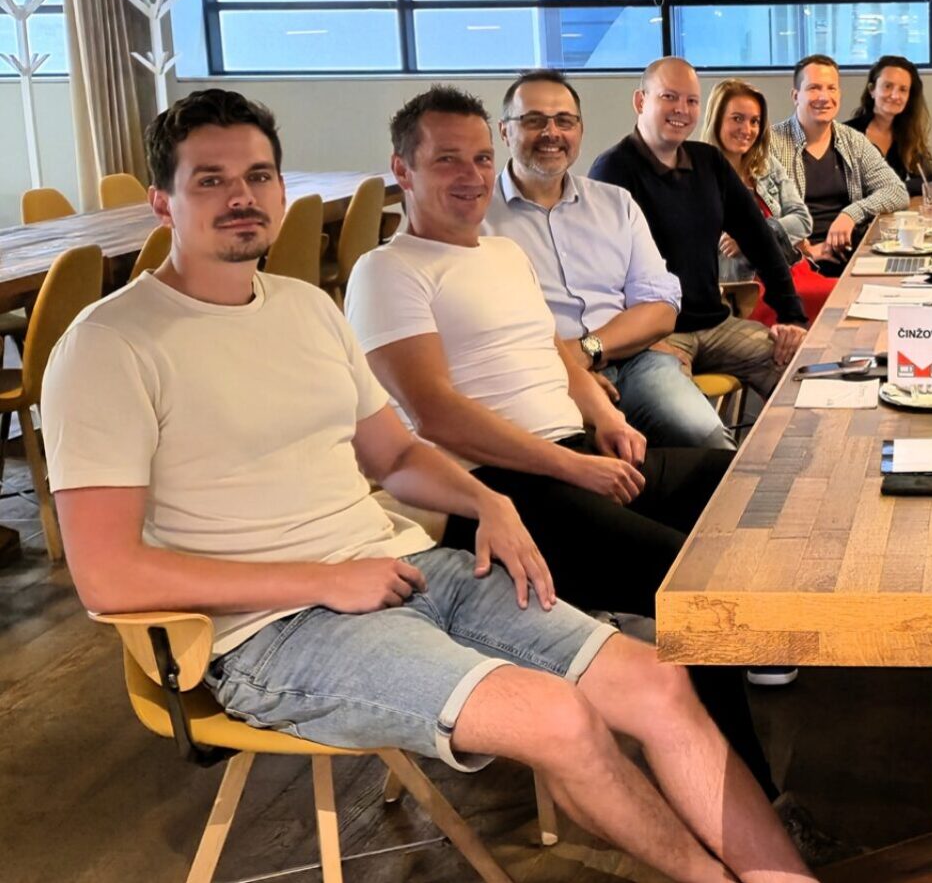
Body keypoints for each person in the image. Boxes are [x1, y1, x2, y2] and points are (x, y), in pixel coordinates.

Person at [43, 89, 814, 883]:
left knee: (657, 677)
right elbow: (108, 575)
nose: (242, 196)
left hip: (404, 567)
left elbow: (394, 453)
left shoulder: (304, 308)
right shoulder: (109, 344)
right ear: (162, 201)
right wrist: (322, 579)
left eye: (258, 175)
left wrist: (488, 501)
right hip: (269, 628)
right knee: (561, 717)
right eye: (211, 180)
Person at [345, 85, 805, 810]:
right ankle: (748, 804)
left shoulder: (502, 251)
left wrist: (602, 417)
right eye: (446, 160)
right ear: (402, 169)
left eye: (479, 159)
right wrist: (574, 463)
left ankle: (757, 657)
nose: (470, 175)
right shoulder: (388, 270)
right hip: (495, 494)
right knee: (690, 586)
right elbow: (436, 415)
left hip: (574, 455)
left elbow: (557, 352)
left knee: (751, 482)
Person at [475, 67, 730, 451]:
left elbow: (661, 308)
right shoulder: (476, 221)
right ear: (504, 131)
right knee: (592, 459)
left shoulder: (615, 204)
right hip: (536, 378)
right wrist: (566, 371)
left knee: (706, 438)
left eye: (564, 121)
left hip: (637, 363)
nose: (551, 133)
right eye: (534, 120)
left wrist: (587, 351)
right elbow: (483, 333)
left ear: (579, 130)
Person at [590, 58, 809, 401]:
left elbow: (759, 240)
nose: (682, 109)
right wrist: (638, 341)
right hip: (652, 338)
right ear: (640, 101)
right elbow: (598, 277)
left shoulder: (709, 163)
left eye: (691, 100)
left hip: (717, 325)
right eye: (669, 97)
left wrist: (792, 317)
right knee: (690, 422)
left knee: (802, 367)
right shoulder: (612, 171)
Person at [702, 77, 835, 325]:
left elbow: (802, 220)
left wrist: (753, 236)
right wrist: (773, 234)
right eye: (737, 118)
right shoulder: (700, 174)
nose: (747, 129)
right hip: (747, 288)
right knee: (839, 300)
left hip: (790, 269)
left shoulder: (765, 165)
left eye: (754, 121)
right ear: (716, 118)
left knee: (849, 293)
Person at [768, 54, 909, 272]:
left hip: (849, 255)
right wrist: (804, 251)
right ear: (796, 96)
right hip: (794, 263)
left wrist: (851, 214)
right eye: (814, 88)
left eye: (831, 88)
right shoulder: (770, 144)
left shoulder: (853, 140)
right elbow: (762, 214)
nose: (824, 97)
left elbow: (896, 191)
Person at [846, 54, 932, 197]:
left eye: (903, 89)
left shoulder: (908, 134)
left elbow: (926, 181)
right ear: (872, 89)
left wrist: (891, 189)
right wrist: (896, 189)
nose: (895, 96)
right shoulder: (847, 134)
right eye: (888, 86)